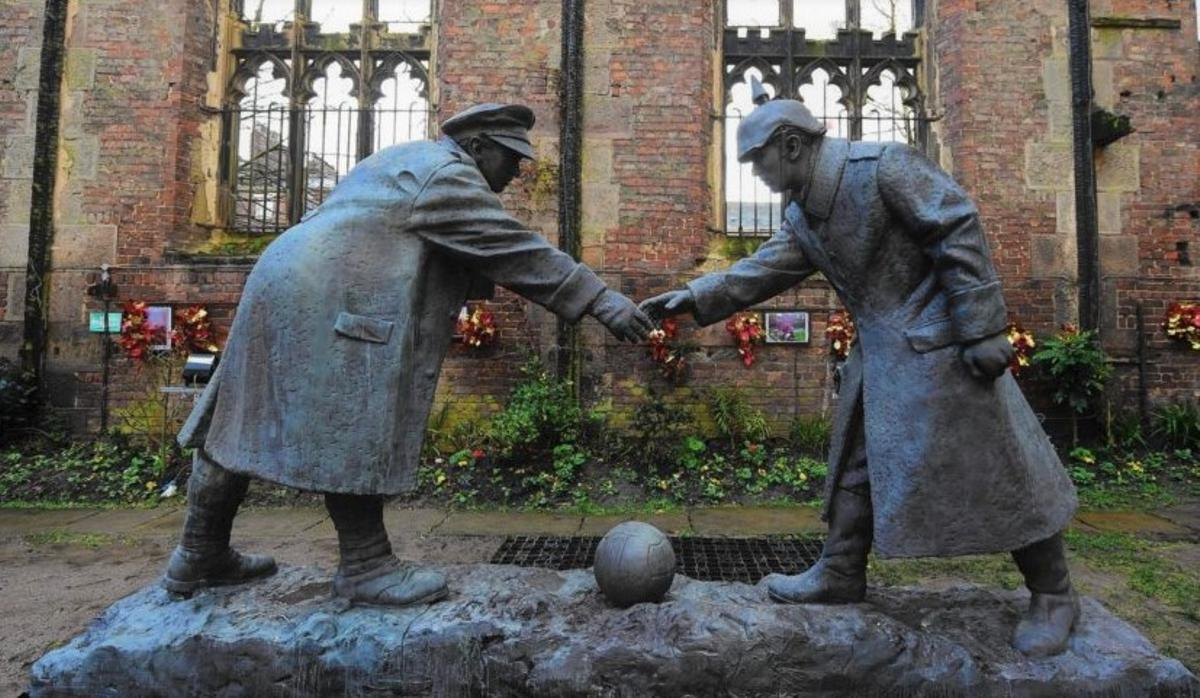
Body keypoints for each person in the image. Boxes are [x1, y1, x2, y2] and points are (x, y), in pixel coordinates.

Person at [163, 103, 654, 607]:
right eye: (511, 160)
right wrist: (600, 299)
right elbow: (514, 250)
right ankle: (365, 564)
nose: (515, 173)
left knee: (238, 418)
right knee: (354, 419)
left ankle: (199, 552)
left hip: (280, 282)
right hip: (331, 293)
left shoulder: (409, 159)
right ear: (479, 147)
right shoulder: (449, 174)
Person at [640, 99, 1080, 657]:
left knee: (1001, 465)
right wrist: (693, 297)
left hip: (942, 346)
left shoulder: (885, 167)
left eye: (758, 160)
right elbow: (762, 270)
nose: (756, 172)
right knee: (857, 461)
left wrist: (981, 327)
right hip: (882, 352)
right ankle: (842, 569)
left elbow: (956, 224)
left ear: (791, 145)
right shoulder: (804, 215)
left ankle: (1055, 593)